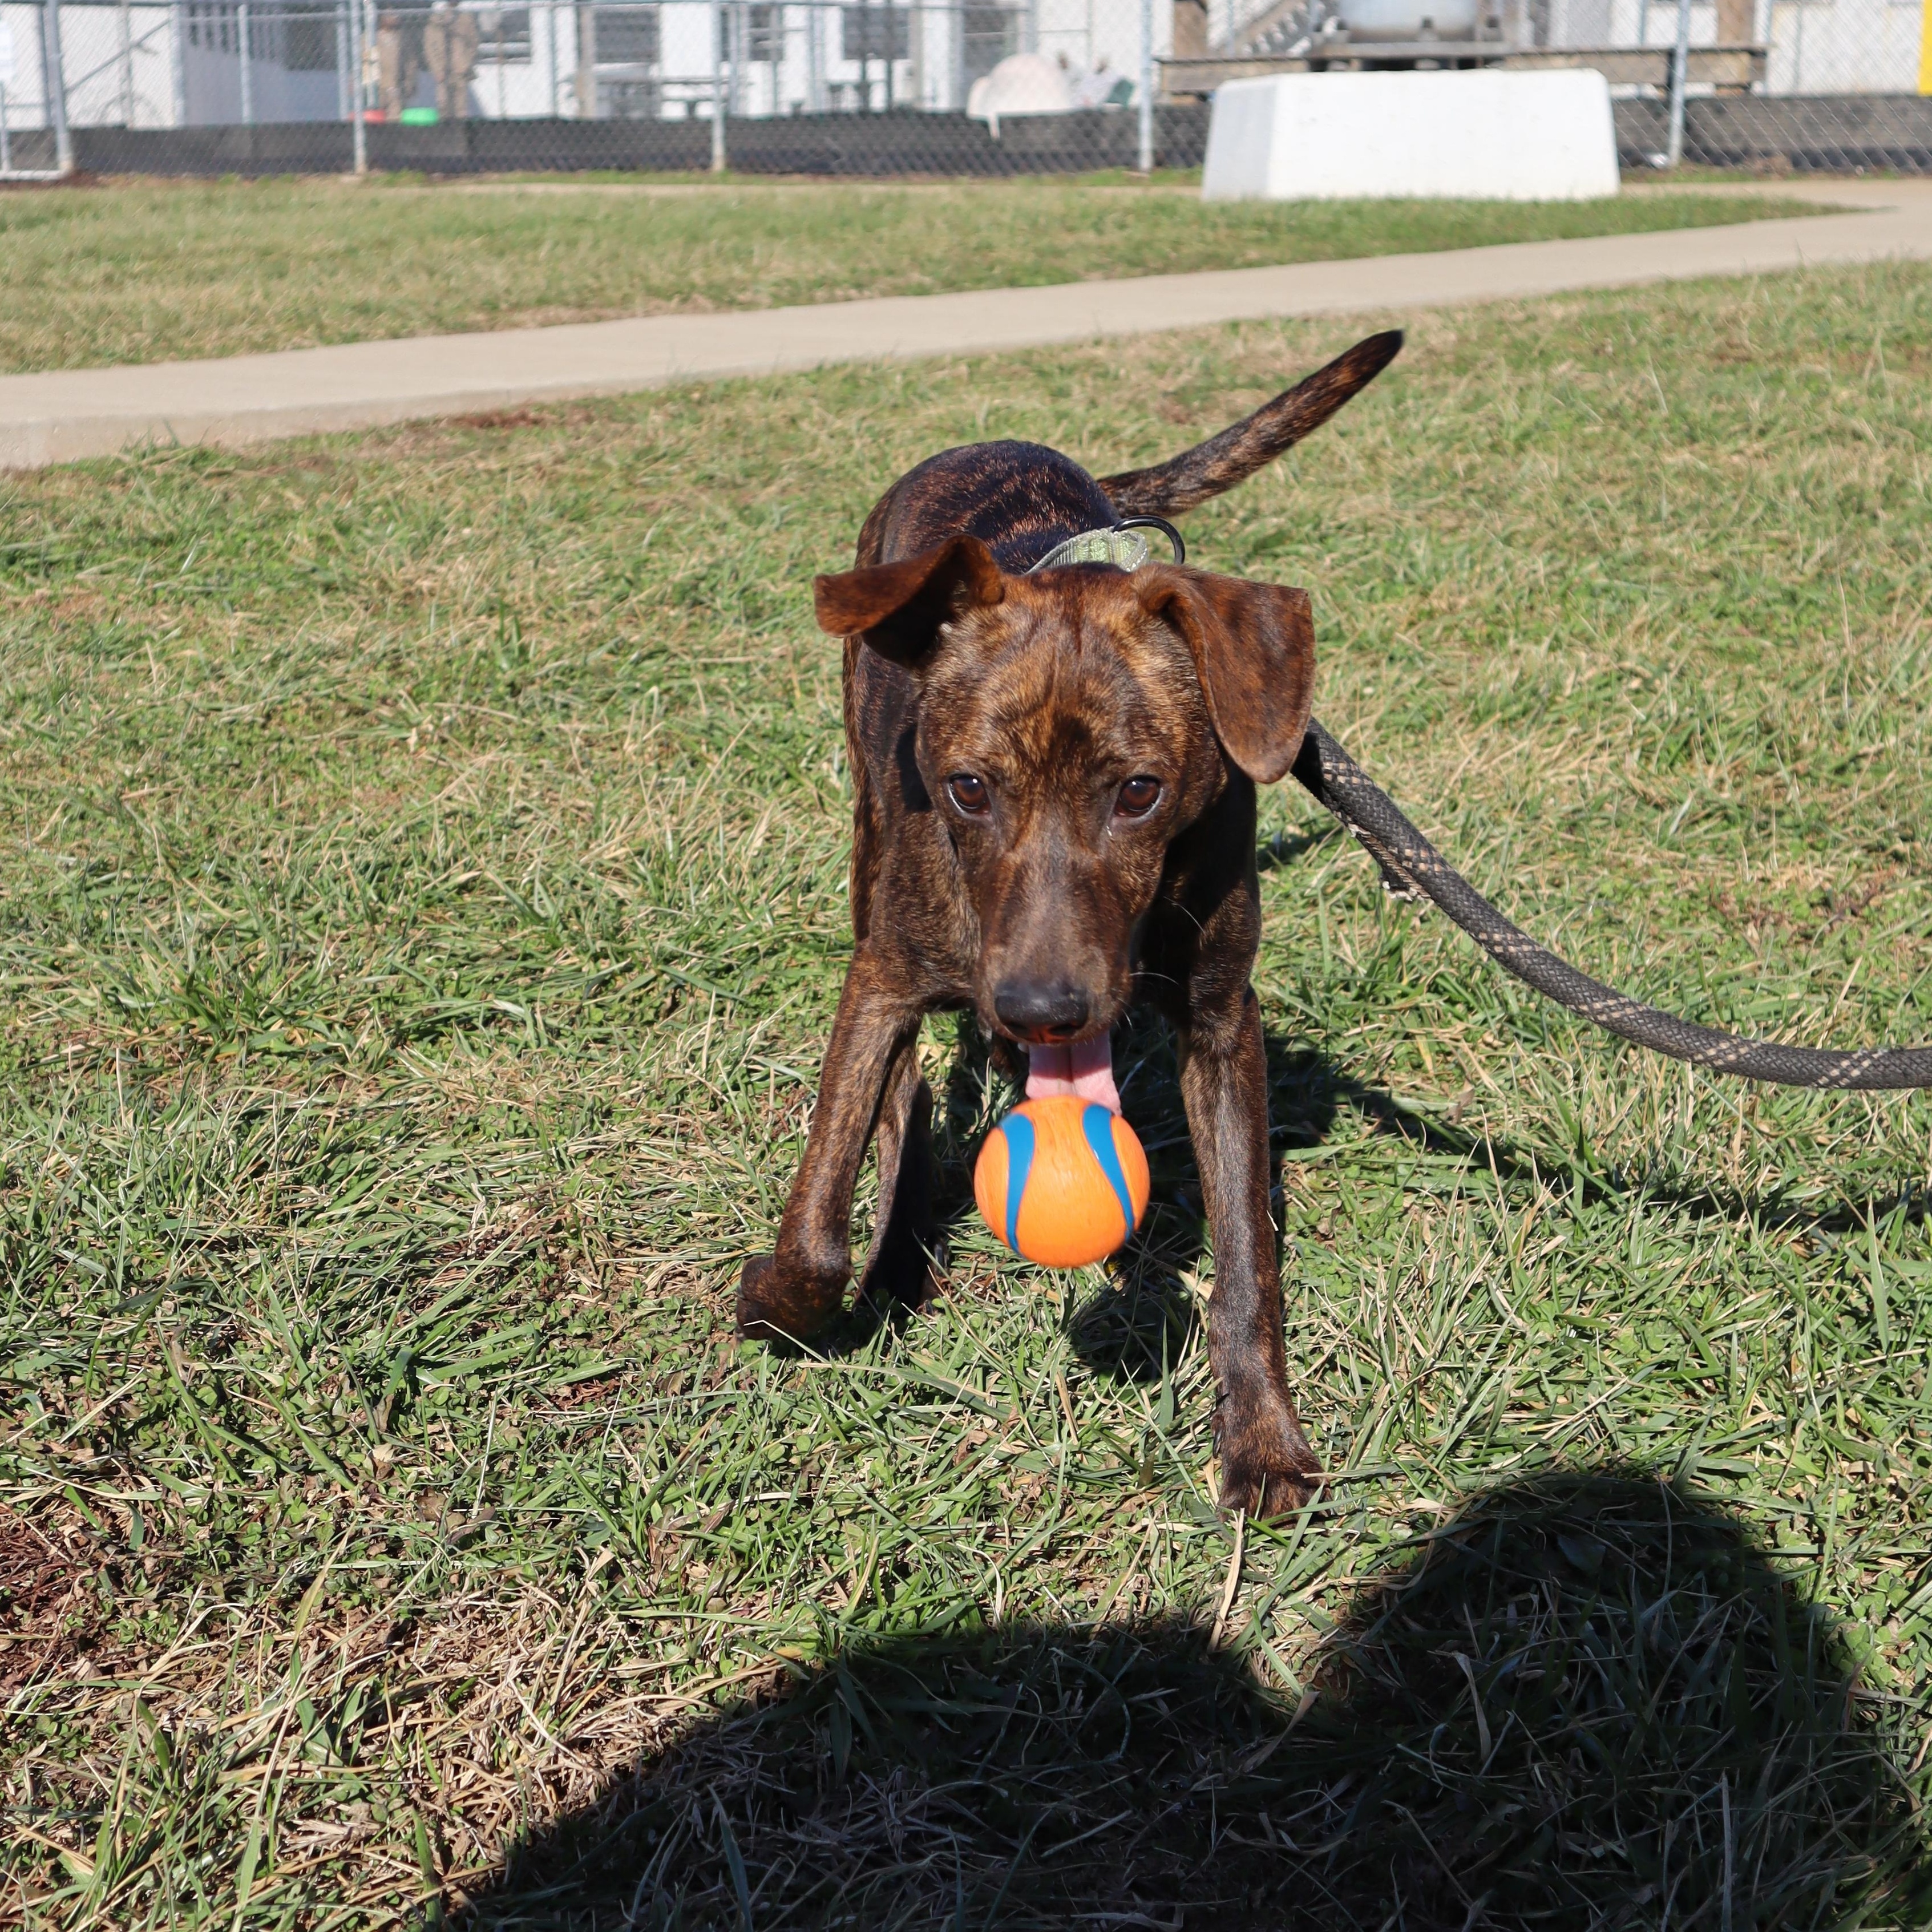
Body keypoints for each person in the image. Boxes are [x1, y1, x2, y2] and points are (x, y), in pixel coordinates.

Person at [423, 0, 480, 120]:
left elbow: (473, 42)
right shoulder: (436, 21)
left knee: (461, 106)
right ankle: (445, 132)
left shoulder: (466, 19)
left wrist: (466, 62)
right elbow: (429, 47)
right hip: (442, 69)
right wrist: (437, 69)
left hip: (460, 69)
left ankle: (460, 131)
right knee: (443, 104)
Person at [375, 8, 422, 116]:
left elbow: (411, 62)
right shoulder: (371, 38)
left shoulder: (403, 39)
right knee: (377, 116)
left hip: (396, 84)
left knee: (395, 115)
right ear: (382, 18)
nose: (395, 18)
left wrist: (410, 82)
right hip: (377, 85)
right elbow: (363, 61)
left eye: (396, 16)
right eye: (391, 15)